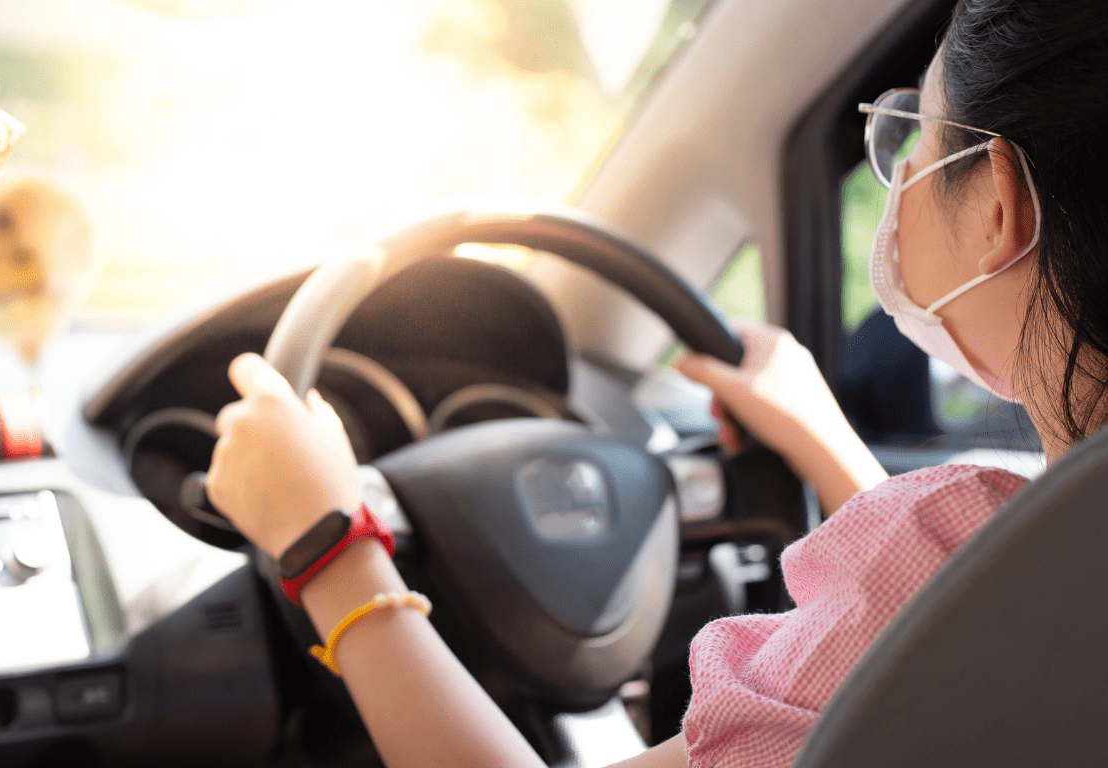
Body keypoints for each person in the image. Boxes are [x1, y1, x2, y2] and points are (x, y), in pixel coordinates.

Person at [205, 1, 1108, 765]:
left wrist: (328, 545)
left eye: (921, 137)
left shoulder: (968, 557)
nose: (903, 172)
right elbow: (962, 617)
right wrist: (828, 445)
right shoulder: (1031, 568)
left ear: (995, 205)